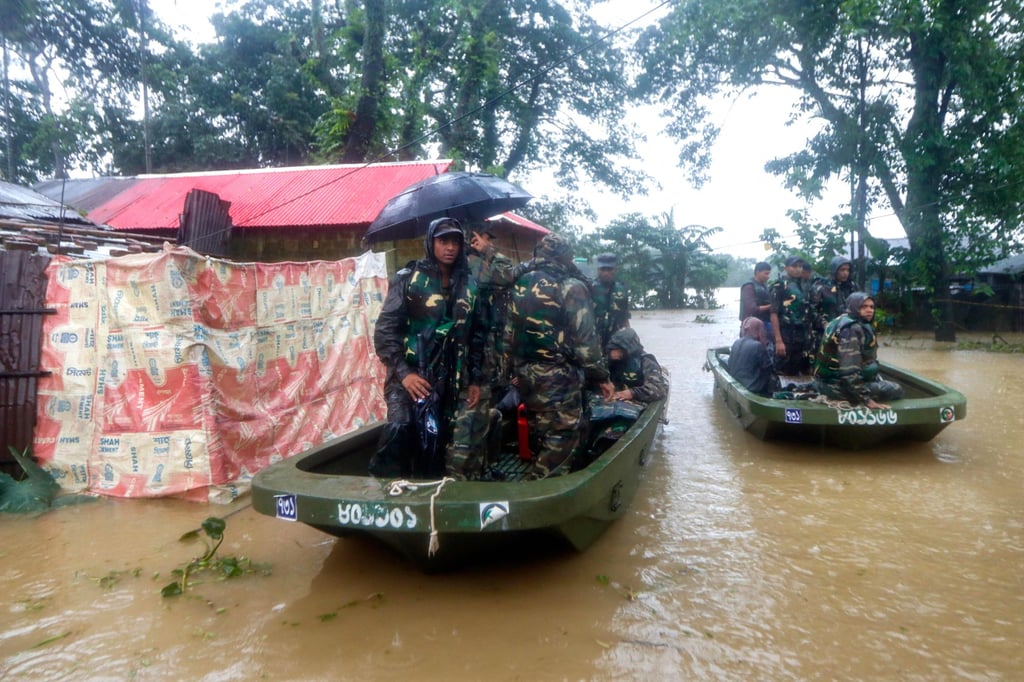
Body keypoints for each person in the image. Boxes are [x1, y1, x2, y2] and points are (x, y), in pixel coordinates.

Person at [369, 217, 483, 478]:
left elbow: (476, 334)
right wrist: (405, 374)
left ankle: (427, 496)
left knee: (434, 444)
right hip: (408, 376)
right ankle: (384, 490)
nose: (450, 247)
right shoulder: (409, 279)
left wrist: (474, 378)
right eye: (443, 241)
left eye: (455, 241)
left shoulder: (469, 284)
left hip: (448, 381)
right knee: (400, 428)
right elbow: (385, 332)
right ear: (430, 243)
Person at [503, 234, 614, 479]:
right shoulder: (571, 287)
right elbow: (587, 343)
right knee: (562, 436)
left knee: (541, 428)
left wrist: (509, 370)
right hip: (557, 376)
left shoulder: (521, 282)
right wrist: (602, 377)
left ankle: (551, 474)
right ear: (565, 256)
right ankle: (541, 489)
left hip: (525, 373)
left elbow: (508, 333)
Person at [444, 227, 516, 480]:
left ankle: (476, 474)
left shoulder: (479, 264)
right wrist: (489, 253)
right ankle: (457, 482)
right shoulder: (470, 266)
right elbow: (509, 274)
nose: (488, 242)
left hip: (484, 360)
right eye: (486, 237)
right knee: (465, 428)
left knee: (482, 421)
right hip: (467, 364)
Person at [813, 292, 903, 409]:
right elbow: (849, 371)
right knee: (896, 389)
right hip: (837, 386)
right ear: (854, 307)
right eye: (863, 307)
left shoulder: (842, 320)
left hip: (828, 381)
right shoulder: (851, 329)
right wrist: (867, 400)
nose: (869, 310)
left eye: (871, 307)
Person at [770, 255, 812, 375]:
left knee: (803, 368)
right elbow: (774, 314)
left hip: (802, 335)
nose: (798, 269)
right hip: (786, 334)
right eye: (794, 266)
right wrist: (778, 341)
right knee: (783, 370)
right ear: (786, 268)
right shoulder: (780, 285)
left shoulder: (804, 285)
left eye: (800, 266)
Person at [605, 327, 669, 403]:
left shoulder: (646, 362)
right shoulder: (612, 361)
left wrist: (632, 393)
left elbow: (658, 389)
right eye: (612, 349)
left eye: (618, 350)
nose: (614, 355)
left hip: (637, 400)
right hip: (615, 397)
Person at [728, 317, 780, 397]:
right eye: (763, 330)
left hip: (738, 384)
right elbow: (769, 369)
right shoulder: (758, 346)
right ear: (759, 331)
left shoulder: (736, 343)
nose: (764, 333)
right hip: (752, 389)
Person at [591, 252, 631, 351]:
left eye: (609, 269)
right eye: (603, 269)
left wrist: (629, 339)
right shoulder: (589, 289)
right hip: (594, 340)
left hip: (616, 340)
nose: (606, 273)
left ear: (615, 270)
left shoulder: (621, 290)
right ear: (598, 270)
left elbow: (625, 319)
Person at [739, 261, 773, 339]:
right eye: (766, 273)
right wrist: (771, 306)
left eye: (769, 274)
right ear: (758, 272)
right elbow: (751, 309)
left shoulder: (765, 286)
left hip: (766, 323)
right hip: (751, 326)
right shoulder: (749, 286)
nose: (768, 276)